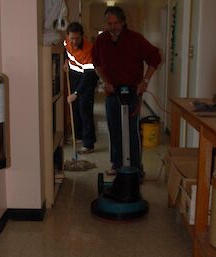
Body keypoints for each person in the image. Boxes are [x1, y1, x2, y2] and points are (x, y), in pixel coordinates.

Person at [92, 6, 161, 175]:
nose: (113, 27)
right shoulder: (101, 40)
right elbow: (96, 64)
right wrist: (105, 81)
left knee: (131, 130)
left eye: (116, 23)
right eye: (109, 23)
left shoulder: (135, 39)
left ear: (123, 23)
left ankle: (136, 167)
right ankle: (117, 164)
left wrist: (145, 81)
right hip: (111, 91)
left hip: (132, 91)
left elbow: (155, 58)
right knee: (114, 129)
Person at [64, 22, 99, 154]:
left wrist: (77, 93)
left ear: (82, 37)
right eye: (72, 38)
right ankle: (78, 136)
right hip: (74, 75)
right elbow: (66, 50)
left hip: (88, 78)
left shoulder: (89, 49)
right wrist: (66, 61)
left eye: (77, 38)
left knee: (84, 108)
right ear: (68, 36)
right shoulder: (66, 42)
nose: (74, 41)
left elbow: (89, 75)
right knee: (75, 107)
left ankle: (89, 143)